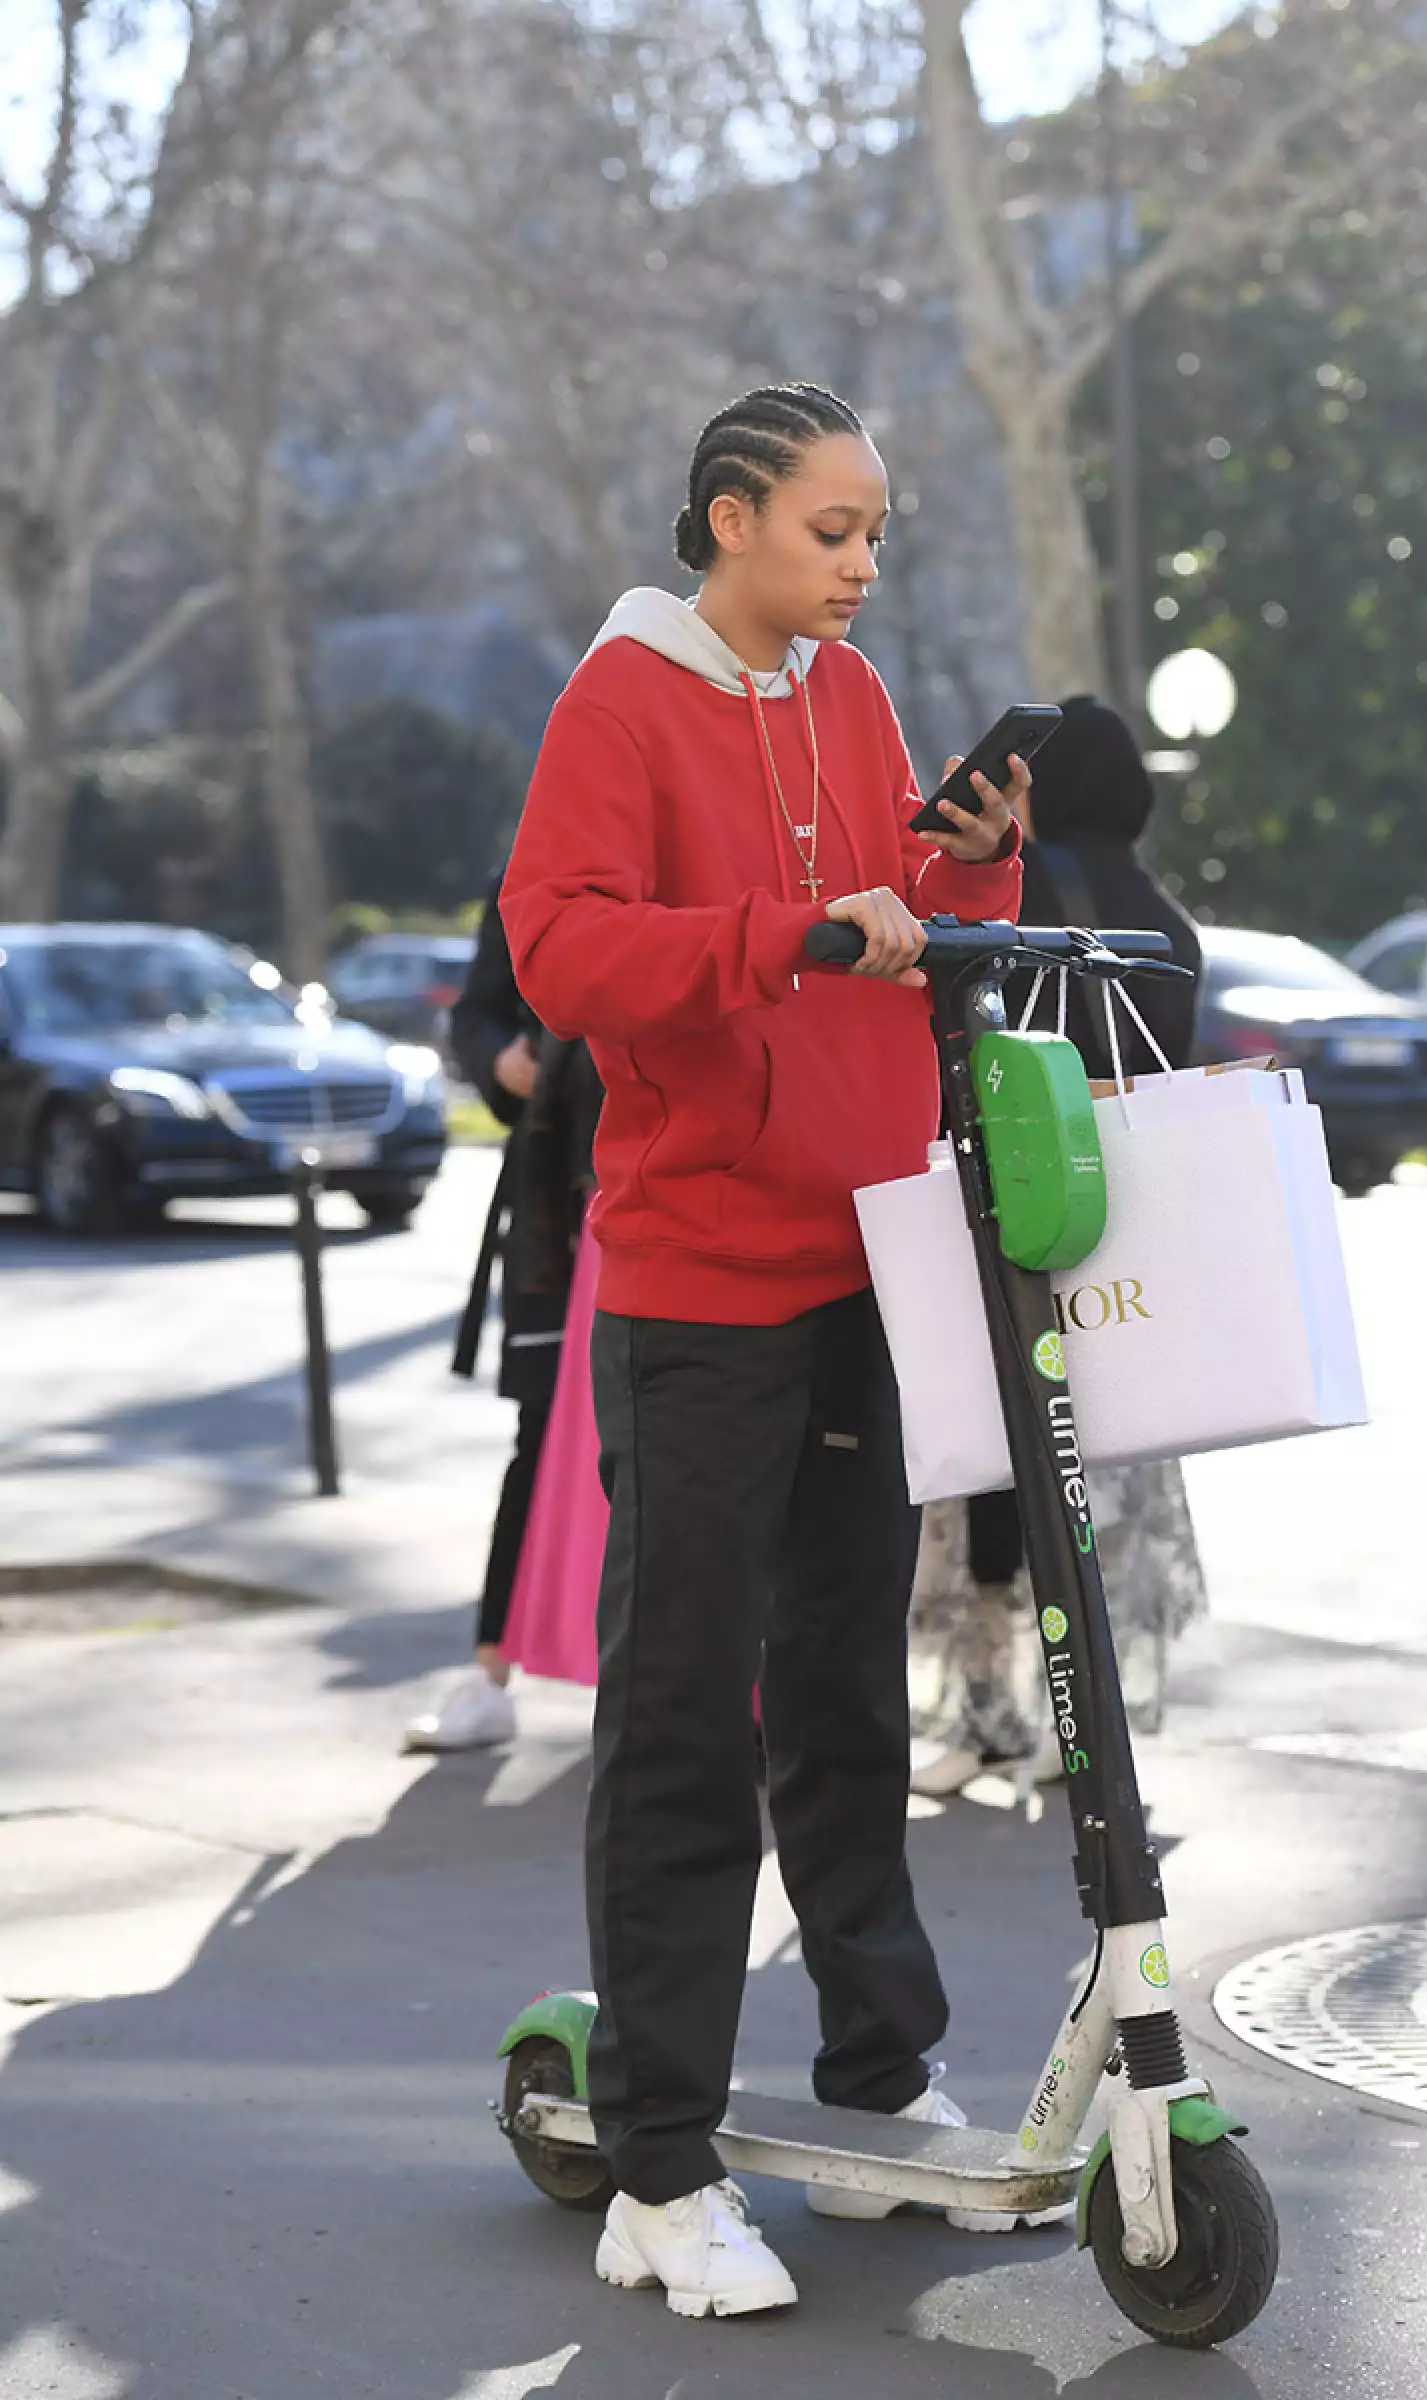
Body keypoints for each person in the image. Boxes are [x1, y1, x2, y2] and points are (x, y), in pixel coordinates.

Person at [499, 383, 1032, 2319]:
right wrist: (782, 934)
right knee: (682, 1725)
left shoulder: (852, 695)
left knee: (844, 1698)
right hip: (698, 1288)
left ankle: (879, 2085)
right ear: (729, 517)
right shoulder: (620, 702)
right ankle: (657, 2166)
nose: (861, 561)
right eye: (831, 528)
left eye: (874, 529)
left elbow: (891, 934)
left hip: (859, 1260)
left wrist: (969, 871)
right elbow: (562, 951)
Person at [908, 695, 1209, 1795]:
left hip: (1012, 1209)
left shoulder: (1016, 890)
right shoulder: (1169, 924)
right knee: (1106, 1467)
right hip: (1127, 1230)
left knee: (994, 1465)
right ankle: (1087, 1722)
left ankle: (984, 1715)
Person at [403, 873, 600, 1752]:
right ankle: (490, 1672)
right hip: (559, 1201)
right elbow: (477, 1011)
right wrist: (500, 1063)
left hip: (679, 1184)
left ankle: (741, 1699)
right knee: (543, 1429)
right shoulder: (532, 871)